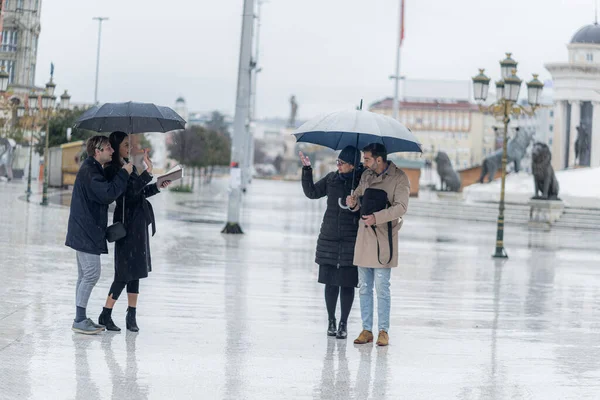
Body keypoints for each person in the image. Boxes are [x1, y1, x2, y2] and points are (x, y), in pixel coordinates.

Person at [98, 131, 171, 332]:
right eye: (124, 144)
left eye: (128, 144)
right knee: (123, 272)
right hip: (126, 226)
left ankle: (132, 315)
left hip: (139, 225)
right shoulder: (114, 169)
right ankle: (105, 313)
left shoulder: (127, 166)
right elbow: (129, 194)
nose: (128, 148)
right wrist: (147, 172)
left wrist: (157, 185)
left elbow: (140, 192)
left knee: (136, 271)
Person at [65, 135, 133, 335]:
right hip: (86, 231)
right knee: (91, 274)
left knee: (84, 275)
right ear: (97, 151)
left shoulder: (93, 169)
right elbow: (107, 194)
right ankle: (79, 319)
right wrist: (124, 174)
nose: (112, 151)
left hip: (85, 230)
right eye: (108, 148)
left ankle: (80, 317)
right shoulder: (90, 171)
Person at [346, 143, 410, 346]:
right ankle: (366, 329)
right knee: (364, 286)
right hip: (364, 236)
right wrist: (353, 202)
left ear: (379, 159)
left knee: (382, 287)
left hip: (384, 238)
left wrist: (377, 217)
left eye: (366, 159)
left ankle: (383, 330)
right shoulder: (366, 176)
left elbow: (401, 207)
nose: (363, 162)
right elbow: (358, 198)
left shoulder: (399, 178)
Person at [300, 145, 364, 339]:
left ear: (353, 165)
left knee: (347, 284)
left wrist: (356, 203)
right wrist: (307, 170)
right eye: (337, 161)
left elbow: (366, 209)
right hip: (329, 238)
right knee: (330, 283)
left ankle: (343, 323)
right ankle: (331, 321)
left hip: (350, 240)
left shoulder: (362, 182)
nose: (338, 165)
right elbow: (311, 192)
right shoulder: (331, 179)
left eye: (342, 163)